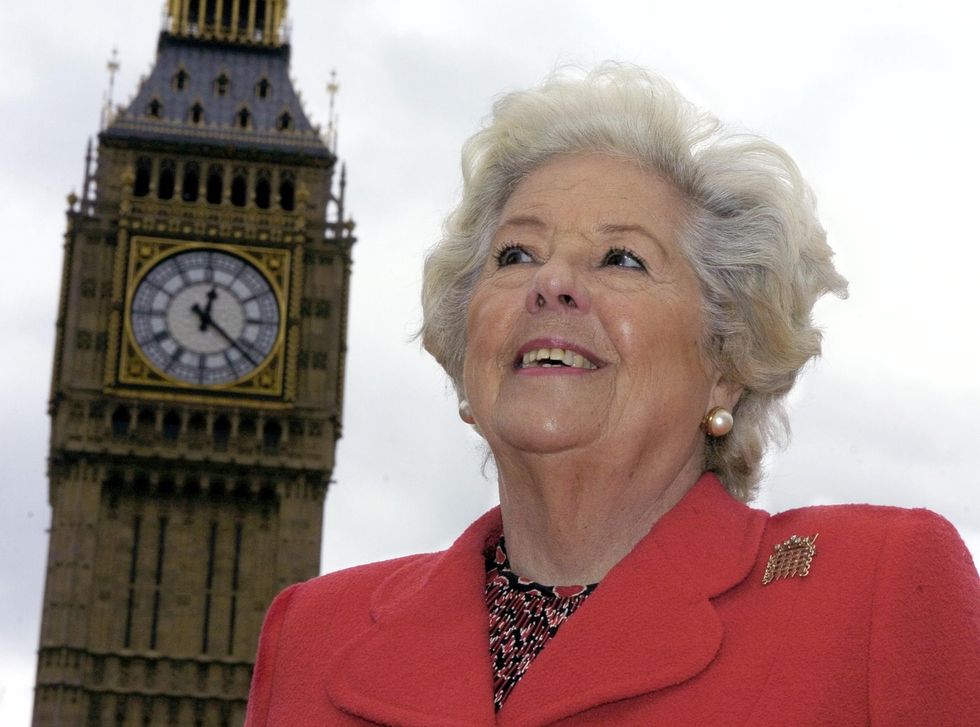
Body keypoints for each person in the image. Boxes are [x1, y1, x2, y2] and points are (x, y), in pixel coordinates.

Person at [244, 65, 980, 726]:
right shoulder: (314, 631)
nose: (550, 281)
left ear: (726, 360)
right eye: (516, 254)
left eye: (622, 258)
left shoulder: (874, 591)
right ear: (467, 351)